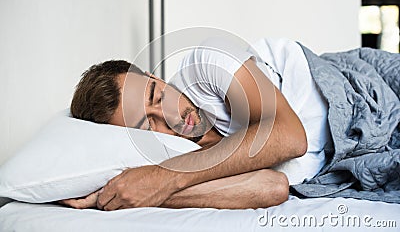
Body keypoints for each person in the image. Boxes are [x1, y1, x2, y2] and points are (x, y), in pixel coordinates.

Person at [61, 37, 332, 210]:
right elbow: (270, 187)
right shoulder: (166, 158)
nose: (169, 117)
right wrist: (129, 195)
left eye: (157, 96)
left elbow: (291, 137)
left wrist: (164, 179)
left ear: (153, 76)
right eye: (147, 125)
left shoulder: (205, 64)